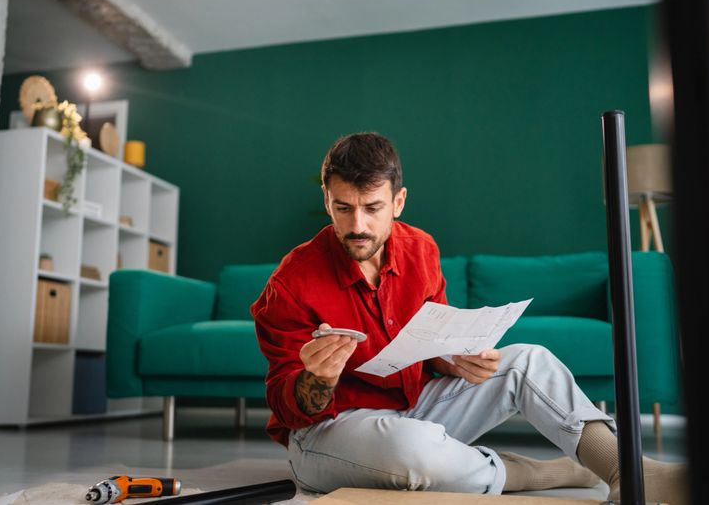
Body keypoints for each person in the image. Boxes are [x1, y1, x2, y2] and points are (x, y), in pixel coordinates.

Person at [251, 132, 686, 503]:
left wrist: (453, 360)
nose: (358, 224)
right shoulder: (291, 282)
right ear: (327, 201)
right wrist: (317, 380)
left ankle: (623, 470)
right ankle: (536, 474)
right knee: (413, 448)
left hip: (415, 407)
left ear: (398, 201)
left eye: (373, 207)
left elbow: (430, 345)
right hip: (328, 432)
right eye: (344, 208)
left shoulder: (421, 249)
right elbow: (289, 410)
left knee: (528, 360)